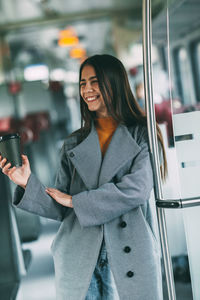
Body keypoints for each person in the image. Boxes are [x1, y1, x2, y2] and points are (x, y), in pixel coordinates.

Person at [0, 54, 167, 300]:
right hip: (78, 257)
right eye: (82, 83)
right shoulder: (73, 144)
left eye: (95, 81)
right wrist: (27, 183)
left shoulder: (143, 134)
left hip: (129, 254)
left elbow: (136, 191)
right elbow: (61, 208)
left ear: (115, 83)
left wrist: (76, 201)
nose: (87, 89)